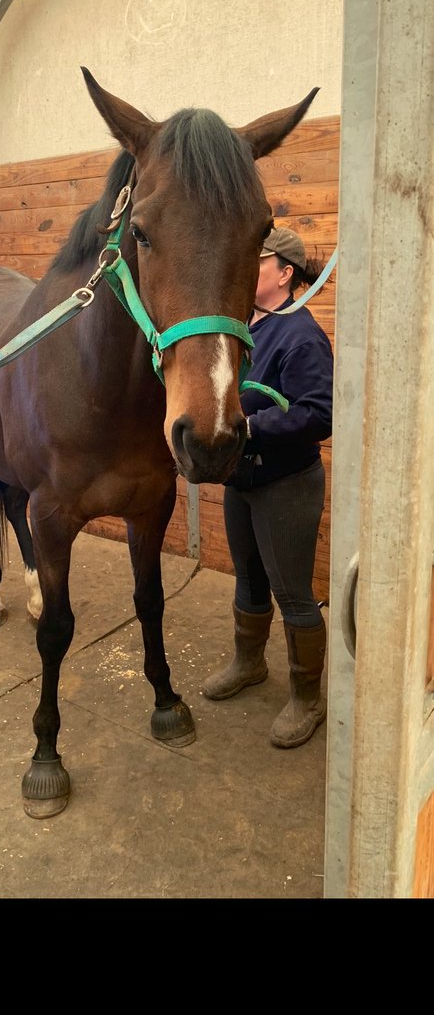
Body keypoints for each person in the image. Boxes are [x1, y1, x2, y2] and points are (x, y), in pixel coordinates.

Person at [203, 225, 334, 748]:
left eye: (256, 261)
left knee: (294, 595)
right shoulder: (244, 329)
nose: (244, 267)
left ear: (284, 273)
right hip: (243, 479)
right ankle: (249, 663)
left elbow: (320, 413)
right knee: (248, 581)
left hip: (286, 483)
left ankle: (308, 697)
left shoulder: (302, 336)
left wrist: (251, 429)